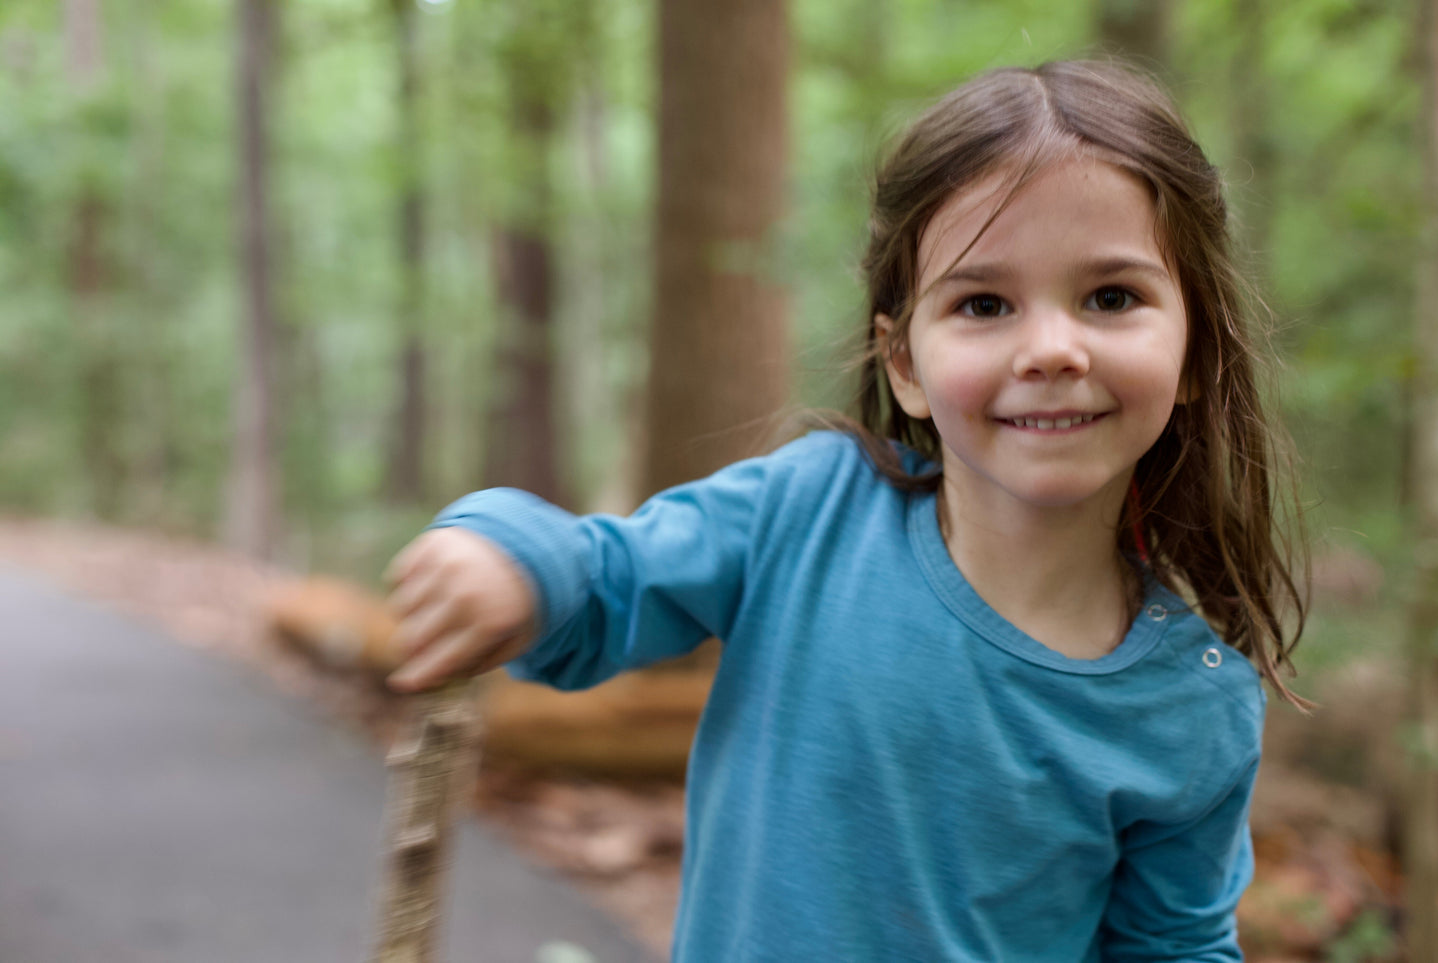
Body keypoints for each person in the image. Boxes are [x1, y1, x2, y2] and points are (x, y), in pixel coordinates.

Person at [383, 59, 1307, 962]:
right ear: (903, 361)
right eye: (984, 303)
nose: (1051, 348)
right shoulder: (807, 510)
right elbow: (605, 578)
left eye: (1110, 297)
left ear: (1191, 352)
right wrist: (508, 555)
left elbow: (1174, 943)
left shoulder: (1191, 699)